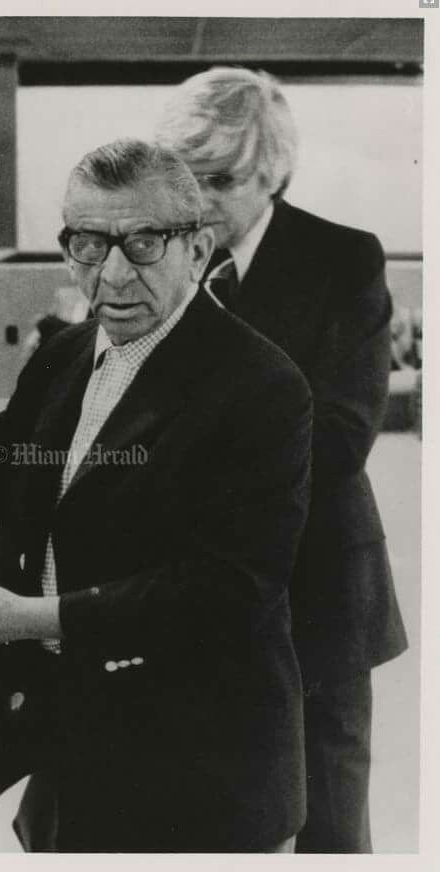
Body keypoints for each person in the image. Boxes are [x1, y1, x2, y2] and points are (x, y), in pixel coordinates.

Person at [0, 139, 313, 852]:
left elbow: (229, 587)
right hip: (68, 741)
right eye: (88, 243)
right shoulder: (67, 353)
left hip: (203, 775)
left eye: (143, 243)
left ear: (198, 249)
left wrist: (28, 617)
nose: (110, 275)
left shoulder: (261, 388)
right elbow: (4, 457)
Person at [155, 67, 408, 853]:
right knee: (205, 818)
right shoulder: (162, 258)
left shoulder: (342, 261)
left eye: (220, 180)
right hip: (195, 595)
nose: (199, 202)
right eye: (184, 180)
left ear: (273, 171)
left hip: (318, 592)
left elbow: (340, 436)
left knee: (329, 819)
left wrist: (183, 449)